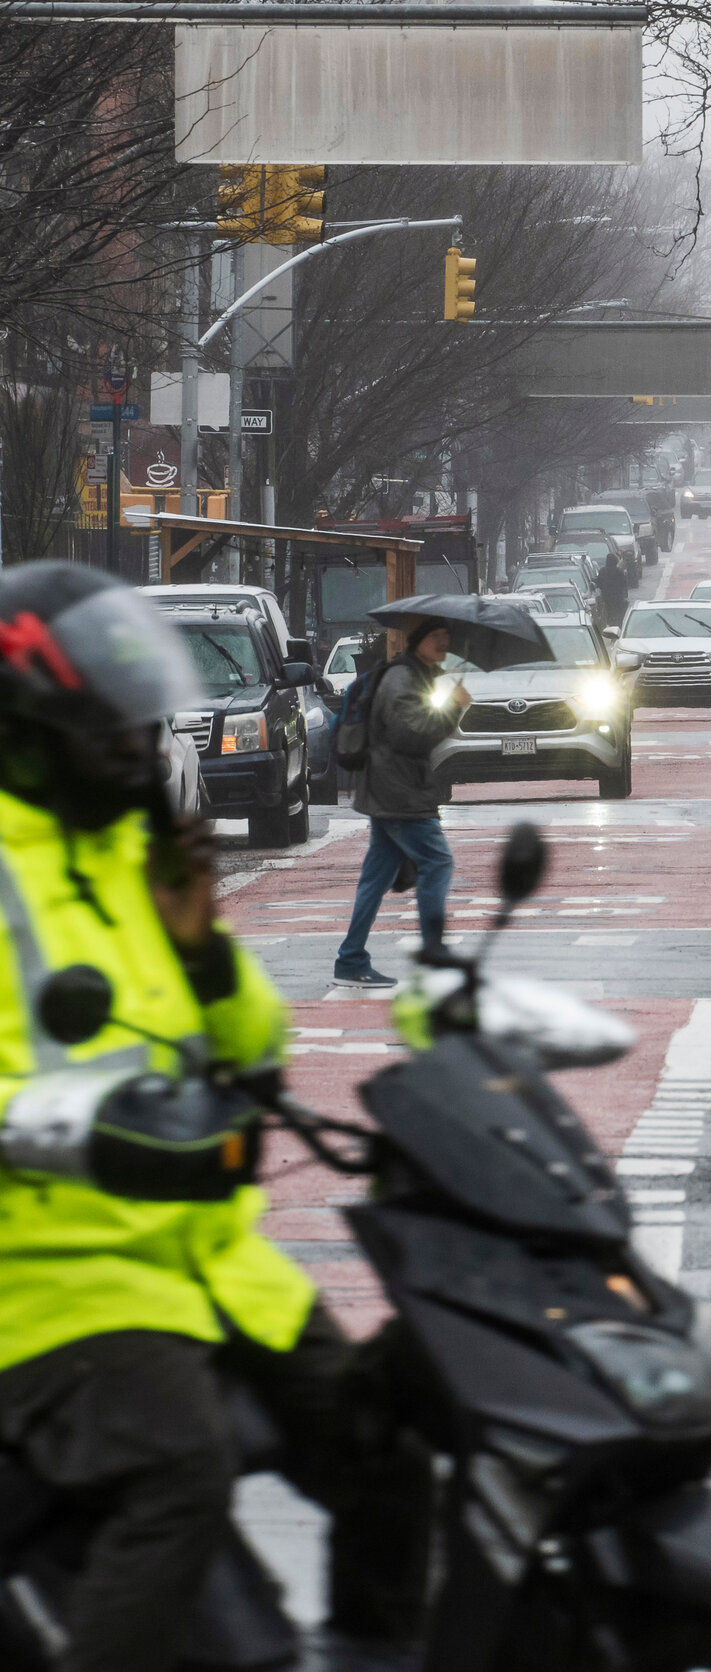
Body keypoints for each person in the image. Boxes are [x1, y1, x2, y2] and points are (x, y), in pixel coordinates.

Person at [0, 564, 430, 1672]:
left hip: (209, 1266)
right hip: (51, 1285)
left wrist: (197, 944)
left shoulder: (127, 866)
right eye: (114, 736)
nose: (140, 758)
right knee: (176, 1473)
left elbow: (245, 1052)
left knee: (390, 1442)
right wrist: (82, 1127)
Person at [332, 621, 469, 989]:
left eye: (447, 637)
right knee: (438, 862)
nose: (444, 643)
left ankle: (350, 959)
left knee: (375, 878)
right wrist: (453, 710)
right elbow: (410, 736)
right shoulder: (402, 679)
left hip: (390, 789)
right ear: (419, 642)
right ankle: (433, 952)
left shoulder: (413, 676)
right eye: (436, 637)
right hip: (400, 792)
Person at [597, 546, 631, 630]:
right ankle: (618, 627)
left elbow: (599, 584)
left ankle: (611, 626)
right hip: (618, 598)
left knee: (609, 615)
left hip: (607, 598)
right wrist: (624, 595)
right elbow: (624, 584)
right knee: (619, 615)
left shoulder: (602, 571)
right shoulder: (619, 572)